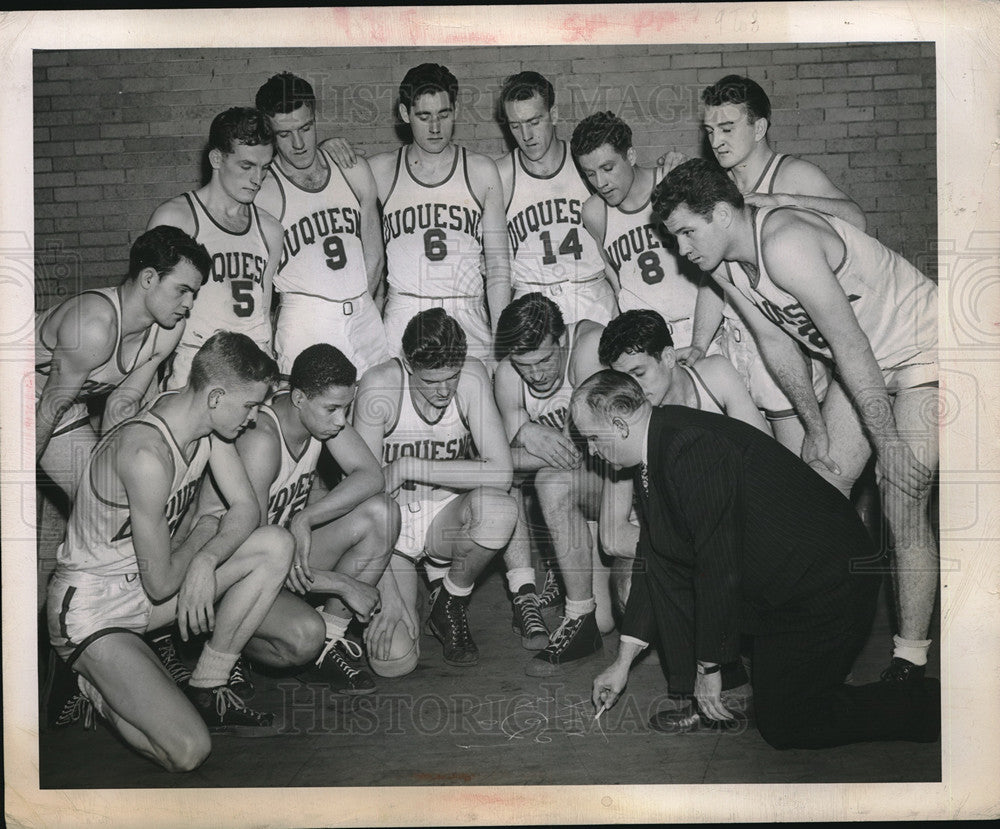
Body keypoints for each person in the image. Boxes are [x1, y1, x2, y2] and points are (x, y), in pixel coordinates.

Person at [654, 158, 938, 682]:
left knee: (900, 489)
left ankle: (910, 658)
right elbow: (777, 341)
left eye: (686, 233)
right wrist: (816, 426)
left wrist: (891, 443)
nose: (682, 250)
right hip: (866, 363)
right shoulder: (722, 264)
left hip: (925, 350)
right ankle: (812, 630)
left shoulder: (784, 242)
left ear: (721, 213)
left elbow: (849, 345)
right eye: (674, 239)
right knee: (820, 485)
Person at [578, 371, 940, 749]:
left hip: (826, 584)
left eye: (591, 437)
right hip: (781, 583)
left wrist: (709, 666)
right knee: (780, 707)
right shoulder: (660, 444)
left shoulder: (689, 446)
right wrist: (621, 663)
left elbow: (717, 563)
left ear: (619, 425)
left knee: (788, 726)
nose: (591, 450)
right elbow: (658, 558)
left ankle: (928, 706)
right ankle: (767, 688)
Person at [44, 332, 313, 771]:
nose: (252, 420)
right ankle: (89, 684)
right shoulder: (147, 453)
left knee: (274, 545)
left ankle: (208, 682)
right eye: (248, 407)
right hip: (94, 608)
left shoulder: (208, 428)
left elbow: (247, 511)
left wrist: (207, 557)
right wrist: (203, 534)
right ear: (215, 396)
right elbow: (163, 581)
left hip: (149, 595)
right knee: (188, 752)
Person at [197, 343, 399, 694]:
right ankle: (227, 648)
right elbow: (252, 552)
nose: (341, 420)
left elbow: (371, 475)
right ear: (300, 397)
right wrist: (343, 584)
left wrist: (306, 517)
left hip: (279, 557)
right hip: (230, 574)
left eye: (345, 409)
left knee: (382, 513)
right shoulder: (262, 438)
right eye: (333, 409)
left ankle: (328, 646)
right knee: (304, 637)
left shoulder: (321, 422)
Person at [683, 75, 866, 452]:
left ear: (760, 127)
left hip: (786, 339)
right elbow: (715, 278)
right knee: (753, 467)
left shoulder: (794, 174)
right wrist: (700, 344)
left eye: (728, 128)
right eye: (710, 130)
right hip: (737, 338)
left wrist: (788, 200)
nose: (716, 141)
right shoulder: (718, 188)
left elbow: (857, 220)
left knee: (803, 469)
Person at [352, 309, 517, 672]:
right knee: (393, 662)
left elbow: (502, 472)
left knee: (500, 511)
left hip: (444, 516)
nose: (444, 390)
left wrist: (412, 467)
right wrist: (391, 594)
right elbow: (362, 499)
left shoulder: (472, 377)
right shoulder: (379, 386)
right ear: (409, 365)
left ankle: (449, 600)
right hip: (387, 528)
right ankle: (410, 595)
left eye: (451, 377)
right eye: (432, 380)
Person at [596, 308, 771, 615]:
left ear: (667, 357)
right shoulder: (623, 417)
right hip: (668, 537)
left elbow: (764, 463)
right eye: (623, 380)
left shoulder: (715, 376)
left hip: (730, 521)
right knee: (628, 591)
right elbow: (611, 537)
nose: (632, 390)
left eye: (639, 374)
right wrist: (697, 548)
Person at [35, 226, 210, 500]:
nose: (189, 304)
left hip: (59, 405)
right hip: (18, 394)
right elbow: (47, 409)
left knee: (102, 497)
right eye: (182, 290)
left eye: (193, 294)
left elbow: (122, 405)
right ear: (149, 278)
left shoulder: (168, 330)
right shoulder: (94, 325)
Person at [493, 293, 612, 673]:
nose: (537, 374)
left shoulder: (589, 344)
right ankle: (534, 592)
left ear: (561, 341)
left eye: (545, 360)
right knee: (513, 481)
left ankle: (578, 618)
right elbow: (497, 464)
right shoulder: (508, 373)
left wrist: (527, 435)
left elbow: (593, 448)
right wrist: (525, 430)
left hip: (618, 491)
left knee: (551, 482)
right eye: (524, 365)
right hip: (576, 503)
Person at [368, 63, 510, 364]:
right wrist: (331, 145)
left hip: (466, 311)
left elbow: (498, 263)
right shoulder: (380, 170)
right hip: (405, 311)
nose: (435, 128)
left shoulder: (482, 170)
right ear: (405, 114)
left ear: (455, 110)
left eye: (443, 115)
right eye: (424, 116)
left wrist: (502, 338)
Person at [253, 72, 391, 378]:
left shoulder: (351, 169)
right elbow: (260, 283)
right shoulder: (263, 192)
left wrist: (357, 303)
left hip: (362, 312)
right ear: (269, 132)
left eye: (306, 128)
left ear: (316, 118)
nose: (299, 143)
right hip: (306, 321)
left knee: (380, 407)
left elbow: (375, 255)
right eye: (285, 134)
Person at [148, 107, 283, 389]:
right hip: (196, 364)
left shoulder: (270, 230)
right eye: (247, 166)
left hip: (252, 366)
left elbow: (264, 314)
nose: (257, 179)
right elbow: (150, 312)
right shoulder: (176, 218)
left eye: (265, 167)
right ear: (216, 158)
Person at [573, 111, 702, 349]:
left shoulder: (671, 182)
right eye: (590, 174)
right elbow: (615, 279)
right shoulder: (594, 213)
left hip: (699, 329)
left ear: (630, 155)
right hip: (646, 344)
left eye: (608, 168)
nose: (601, 183)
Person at [498, 71, 618, 326]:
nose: (526, 135)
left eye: (534, 121)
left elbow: (634, 189)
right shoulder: (499, 175)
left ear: (553, 115)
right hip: (532, 301)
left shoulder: (584, 161)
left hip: (592, 294)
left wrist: (667, 168)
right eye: (515, 126)